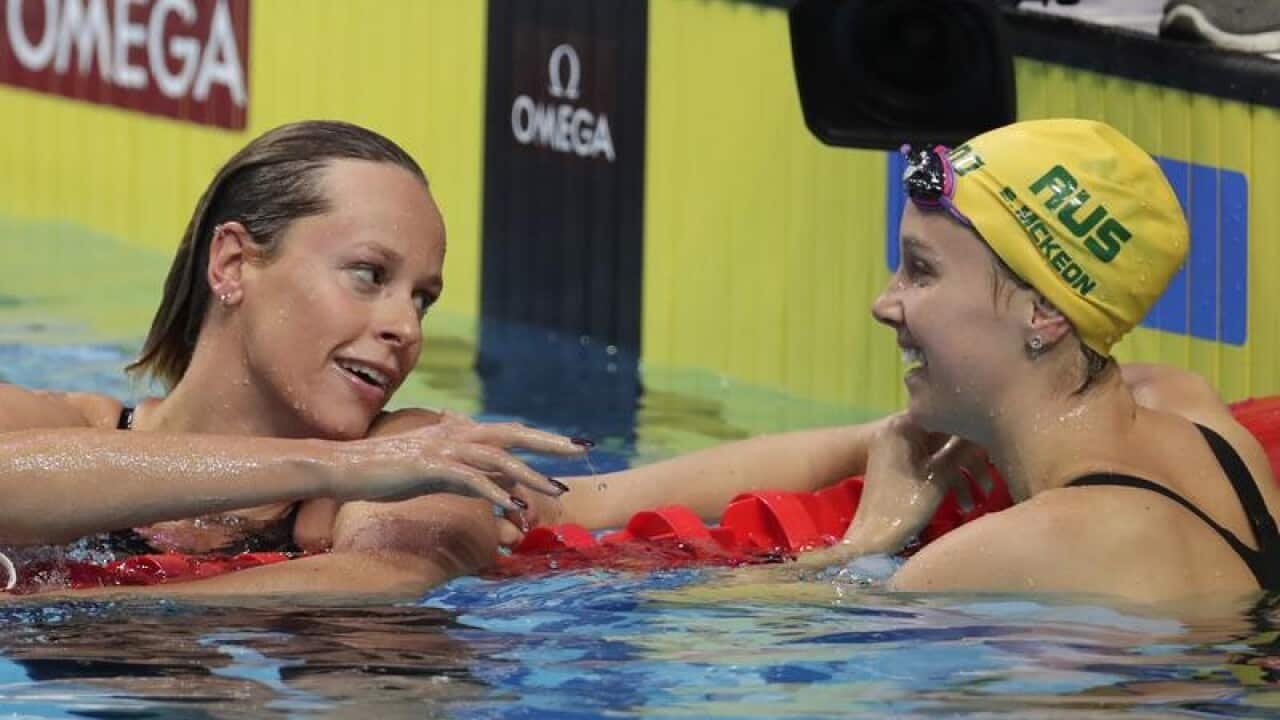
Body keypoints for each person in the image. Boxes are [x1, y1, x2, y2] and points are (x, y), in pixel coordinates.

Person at [519, 119, 1280, 603]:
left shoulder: (1027, 551)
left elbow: (692, 620)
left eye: (920, 271)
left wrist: (865, 545)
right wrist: (577, 502)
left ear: (1044, 313)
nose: (885, 304)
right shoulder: (1191, 418)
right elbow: (875, 439)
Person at [0, 120, 585, 599]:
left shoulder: (413, 456)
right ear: (232, 264)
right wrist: (334, 466)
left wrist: (67, 610)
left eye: (422, 299)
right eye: (368, 274)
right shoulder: (56, 423)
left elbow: (382, 581)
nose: (407, 329)